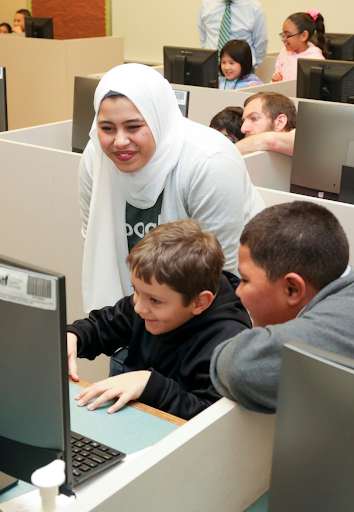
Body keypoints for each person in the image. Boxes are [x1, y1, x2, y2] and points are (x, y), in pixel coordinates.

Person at [79, 63, 264, 313]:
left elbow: (221, 278)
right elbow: (94, 239)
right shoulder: (96, 157)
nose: (119, 141)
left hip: (208, 314)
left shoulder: (210, 163)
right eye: (107, 128)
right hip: (136, 312)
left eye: (134, 127)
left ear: (159, 120)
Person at [67, 219, 252, 420]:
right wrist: (75, 335)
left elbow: (209, 419)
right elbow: (104, 326)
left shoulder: (228, 344)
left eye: (154, 300)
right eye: (135, 291)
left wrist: (151, 385)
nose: (138, 307)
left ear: (199, 303)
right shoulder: (148, 304)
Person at [210, 201, 354, 413]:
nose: (238, 292)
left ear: (292, 289)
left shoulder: (337, 323)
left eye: (246, 280)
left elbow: (238, 367)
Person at [198, 0, 268, 69]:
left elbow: (261, 44)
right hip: (211, 70)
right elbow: (204, 38)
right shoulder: (206, 4)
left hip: (242, 73)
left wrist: (249, 69)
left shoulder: (254, 8)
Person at [272, 11, 327, 82]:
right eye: (283, 34)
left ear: (304, 36)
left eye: (287, 35)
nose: (283, 39)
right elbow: (276, 75)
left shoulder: (316, 59)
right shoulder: (284, 52)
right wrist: (275, 80)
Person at [236, 91, 296, 156]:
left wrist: (229, 152)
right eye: (243, 121)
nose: (243, 129)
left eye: (254, 118)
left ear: (279, 123)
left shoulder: (303, 142)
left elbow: (270, 141)